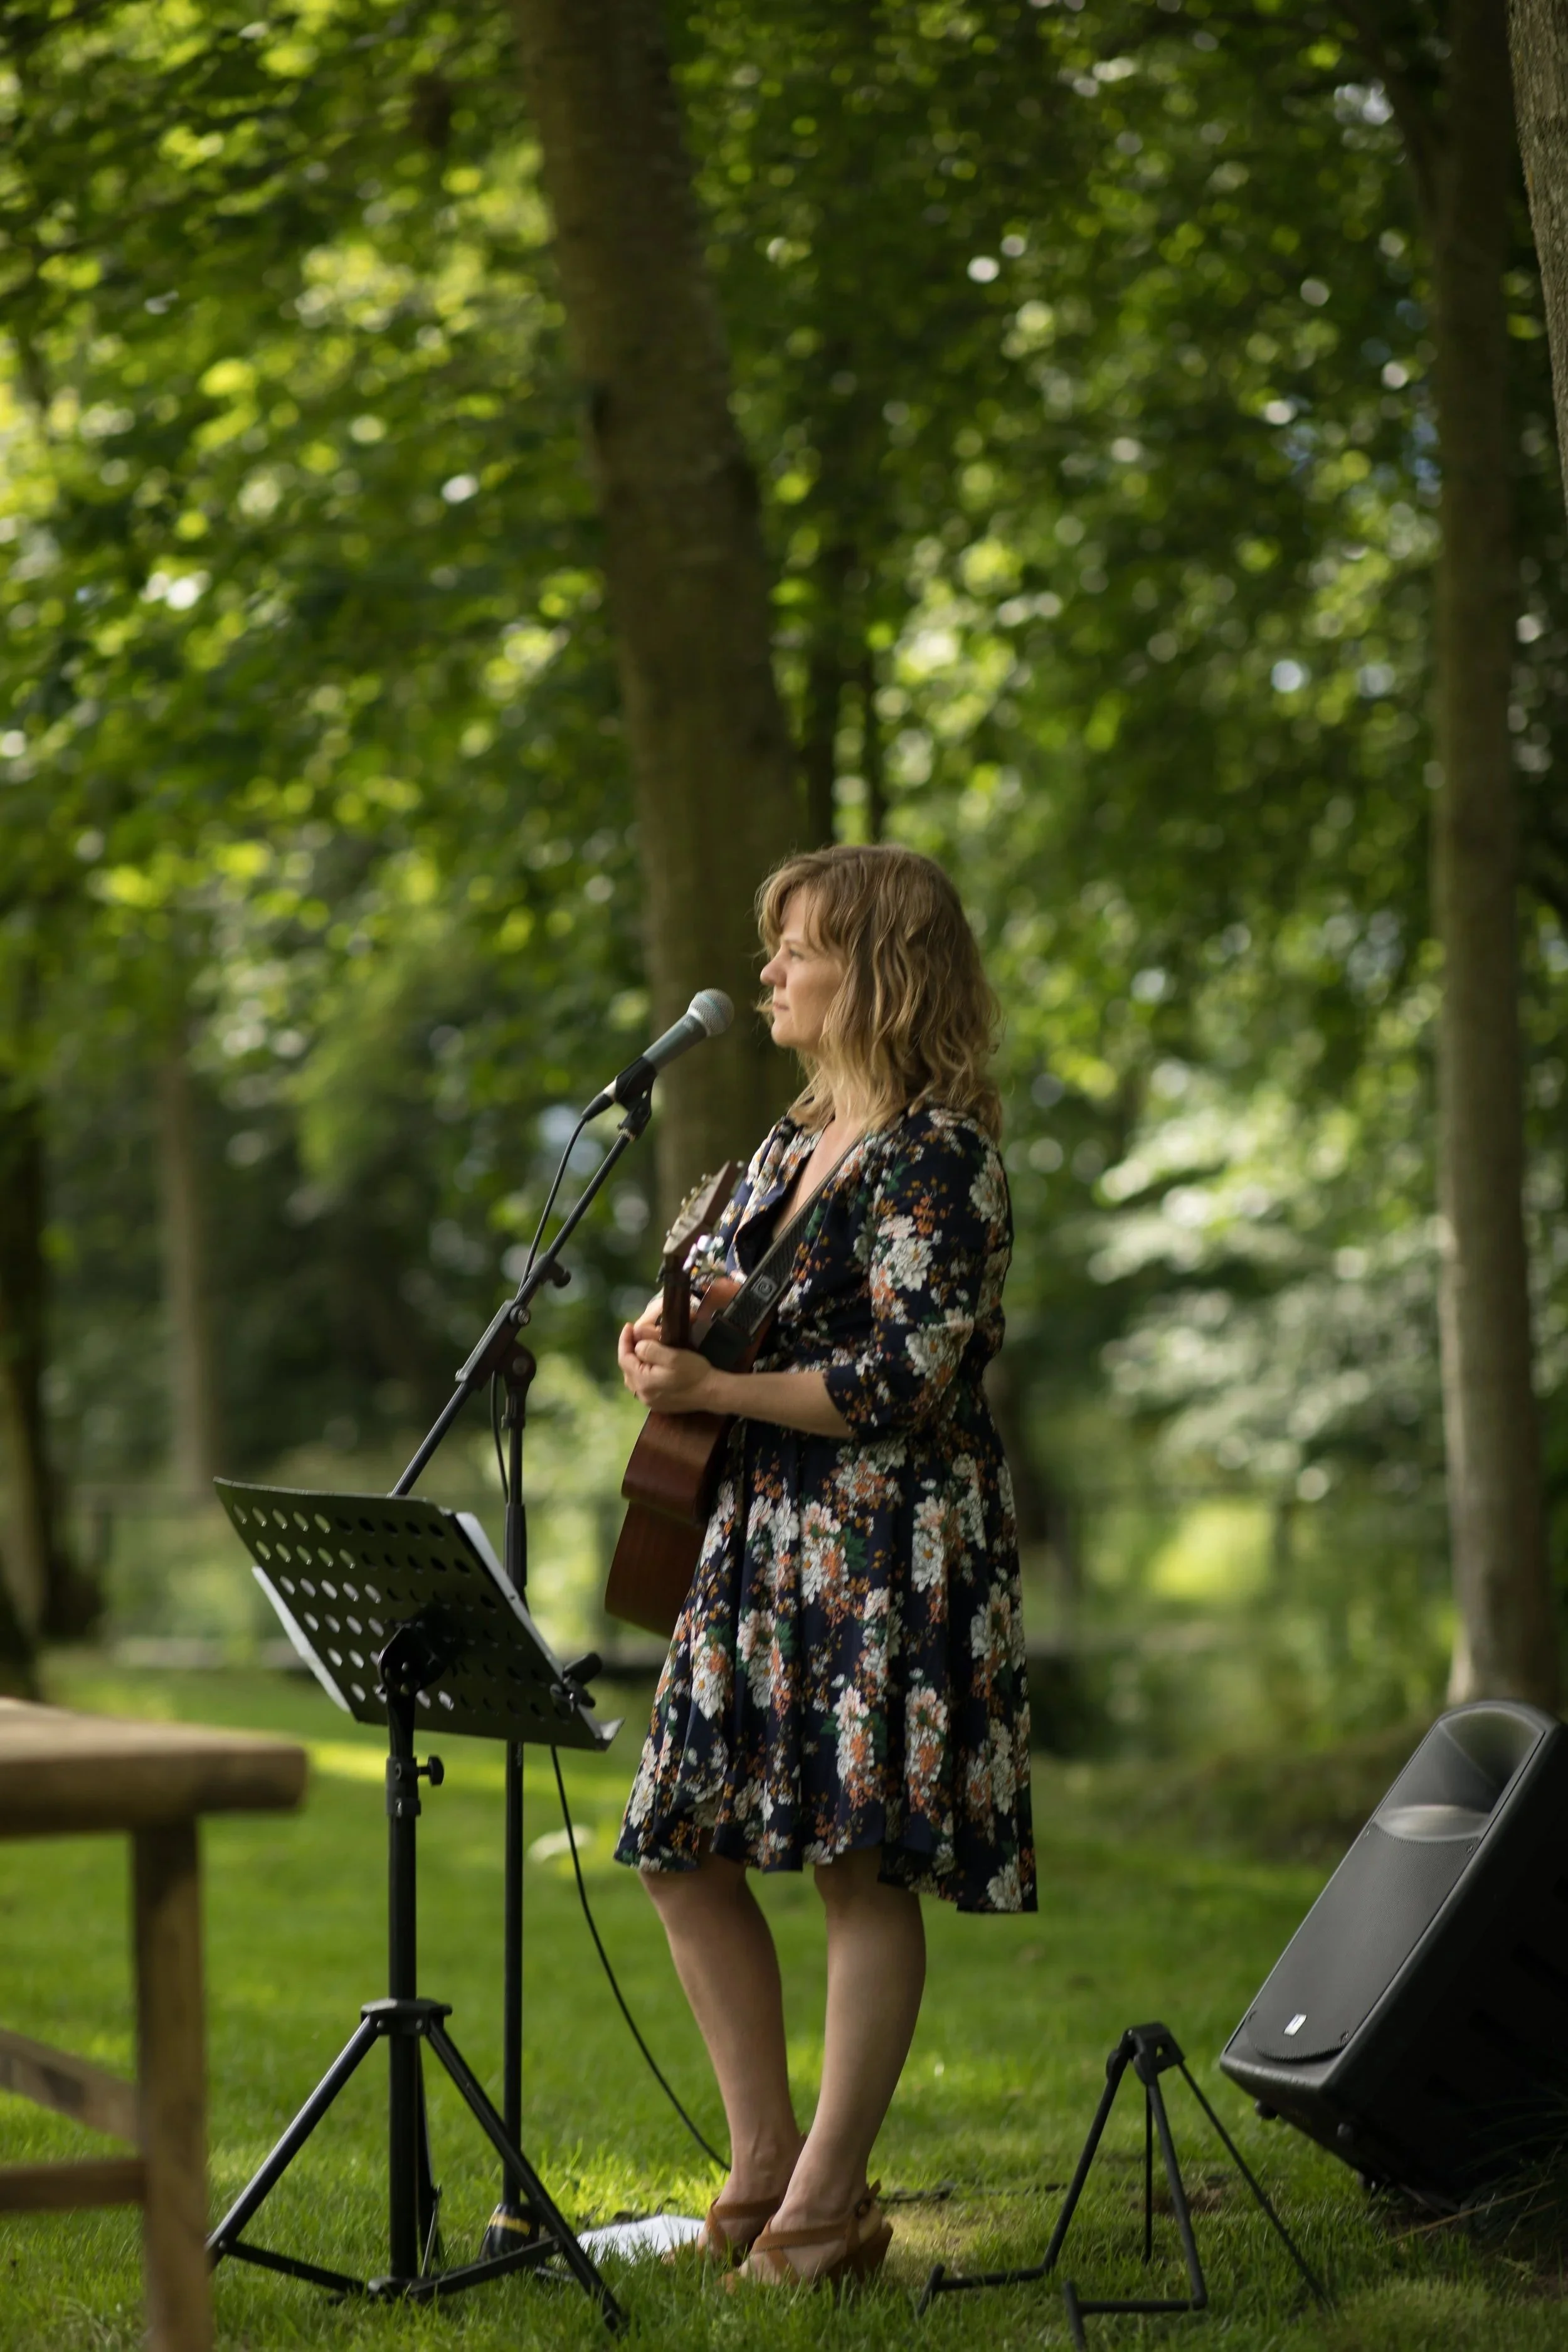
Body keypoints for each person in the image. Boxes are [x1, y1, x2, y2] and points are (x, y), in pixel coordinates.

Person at [613, 841, 1034, 2290]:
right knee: (681, 1841)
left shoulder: (941, 1158)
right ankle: (763, 2170)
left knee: (859, 1868)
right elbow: (720, 1318)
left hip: (884, 1542)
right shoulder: (781, 1150)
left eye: (796, 947)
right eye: (770, 944)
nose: (768, 971)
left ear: (878, 969)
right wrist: (663, 1351)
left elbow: (906, 1375)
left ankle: (824, 2212)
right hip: (755, 1534)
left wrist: (716, 1394)